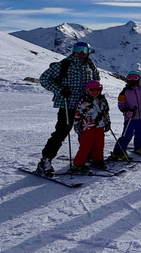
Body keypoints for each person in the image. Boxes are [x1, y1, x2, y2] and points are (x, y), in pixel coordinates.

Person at [36, 41, 100, 175]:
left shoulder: (90, 65)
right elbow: (44, 79)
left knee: (85, 131)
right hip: (67, 104)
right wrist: (60, 90)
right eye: (78, 49)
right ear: (73, 50)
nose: (81, 53)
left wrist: (95, 94)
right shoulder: (64, 64)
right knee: (62, 131)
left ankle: (84, 156)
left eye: (85, 50)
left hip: (85, 105)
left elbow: (96, 80)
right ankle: (45, 160)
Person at [71, 80, 111, 173]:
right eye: (91, 90)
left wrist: (107, 122)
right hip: (88, 127)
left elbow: (106, 112)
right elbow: (78, 113)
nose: (94, 92)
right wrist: (77, 124)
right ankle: (78, 164)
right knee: (86, 146)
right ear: (87, 90)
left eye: (97, 89)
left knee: (99, 144)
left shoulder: (102, 100)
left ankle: (98, 160)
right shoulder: (83, 101)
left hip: (100, 126)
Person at [110, 70, 141, 160]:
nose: (133, 80)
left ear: (138, 79)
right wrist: (126, 110)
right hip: (130, 118)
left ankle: (139, 147)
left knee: (140, 133)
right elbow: (121, 104)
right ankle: (119, 151)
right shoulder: (124, 92)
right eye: (130, 78)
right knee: (127, 134)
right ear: (127, 79)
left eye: (135, 78)